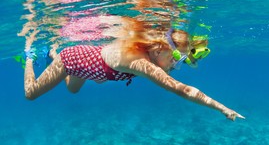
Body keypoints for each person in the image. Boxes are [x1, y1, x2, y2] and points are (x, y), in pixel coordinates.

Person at [23, 17, 244, 121]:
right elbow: (182, 89)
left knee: (73, 89)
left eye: (181, 61)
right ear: (159, 50)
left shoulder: (146, 52)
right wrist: (222, 108)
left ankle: (52, 54)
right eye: (175, 58)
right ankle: (31, 57)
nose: (175, 66)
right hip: (72, 59)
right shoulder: (142, 63)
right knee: (31, 94)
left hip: (91, 68)